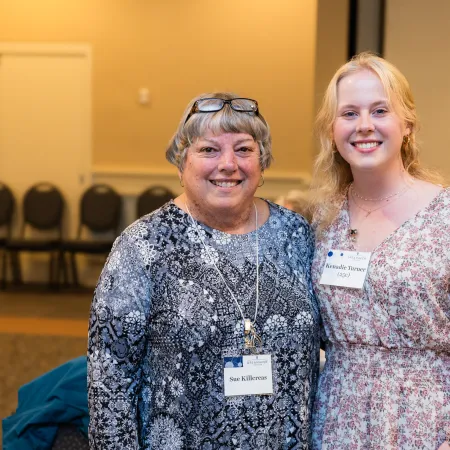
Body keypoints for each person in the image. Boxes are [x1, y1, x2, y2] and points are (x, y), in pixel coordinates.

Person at [88, 92, 320, 449]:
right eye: (209, 150)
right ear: (182, 163)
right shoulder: (143, 246)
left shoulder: (297, 234)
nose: (228, 164)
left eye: (243, 149)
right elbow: (110, 385)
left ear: (263, 162)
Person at [310, 51, 450, 449]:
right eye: (349, 113)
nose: (364, 126)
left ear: (407, 125)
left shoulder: (445, 215)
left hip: (425, 425)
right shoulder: (323, 219)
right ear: (332, 130)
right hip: (336, 421)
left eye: (380, 110)